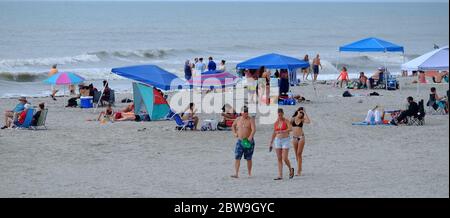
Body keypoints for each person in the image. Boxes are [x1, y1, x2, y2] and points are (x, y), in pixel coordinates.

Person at [231, 106, 256, 178]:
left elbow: (254, 129)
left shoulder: (250, 120)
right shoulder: (238, 119)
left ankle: (249, 173)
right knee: (237, 157)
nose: (246, 113)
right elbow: (233, 126)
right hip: (240, 141)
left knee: (248, 158)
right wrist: (234, 133)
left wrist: (250, 137)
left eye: (247, 112)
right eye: (244, 112)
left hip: (248, 141)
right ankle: (236, 173)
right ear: (241, 112)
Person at [269, 108, 294, 180]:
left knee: (285, 158)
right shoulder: (276, 122)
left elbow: (291, 129)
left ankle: (290, 169)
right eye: (278, 115)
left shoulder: (286, 121)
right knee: (279, 158)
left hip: (285, 140)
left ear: (283, 114)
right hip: (277, 140)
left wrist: (283, 131)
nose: (279, 116)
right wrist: (271, 143)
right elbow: (274, 132)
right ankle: (280, 175)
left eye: (280, 115)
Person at [291, 107, 310, 176]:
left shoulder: (302, 120)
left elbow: (308, 121)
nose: (301, 114)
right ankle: (300, 168)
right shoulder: (293, 119)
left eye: (302, 113)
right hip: (294, 138)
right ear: (297, 111)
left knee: (299, 154)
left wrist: (305, 113)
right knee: (296, 154)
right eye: (300, 112)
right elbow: (289, 127)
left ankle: (299, 171)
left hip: (301, 137)